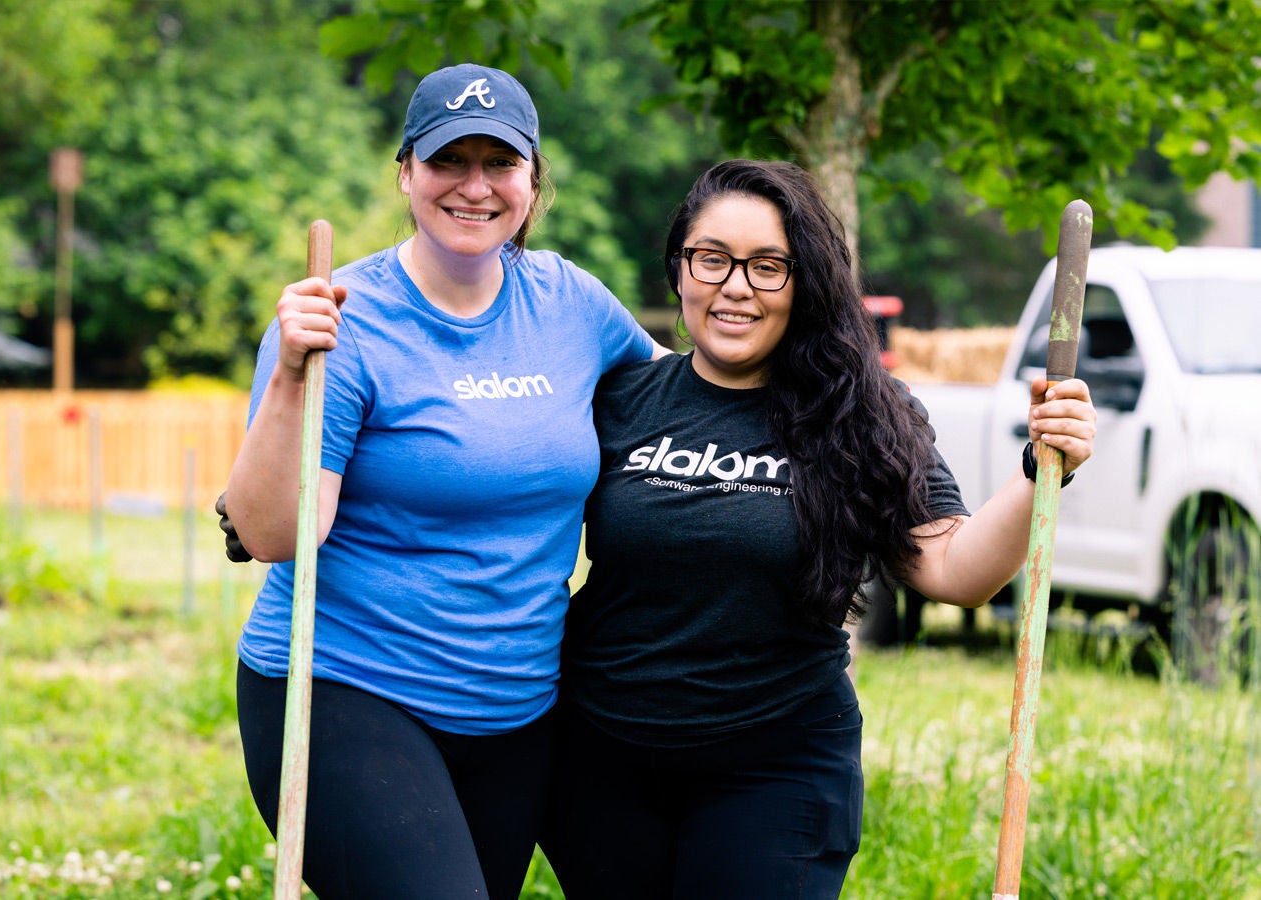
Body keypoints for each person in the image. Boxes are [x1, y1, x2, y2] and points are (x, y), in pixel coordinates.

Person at [538, 159, 1097, 899]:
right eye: (712, 259)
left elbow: (956, 570)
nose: (736, 286)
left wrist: (1039, 472)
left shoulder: (861, 414)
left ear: (807, 283)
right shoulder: (619, 400)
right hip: (601, 765)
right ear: (680, 269)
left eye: (769, 266)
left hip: (775, 768)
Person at [220, 63, 665, 899]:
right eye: (446, 161)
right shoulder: (342, 322)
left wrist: (836, 403)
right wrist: (286, 376)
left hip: (516, 709)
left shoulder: (573, 304)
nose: (474, 186)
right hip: (344, 690)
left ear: (534, 182)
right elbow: (276, 533)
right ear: (405, 173)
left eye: (499, 163)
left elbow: (685, 404)